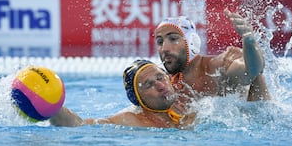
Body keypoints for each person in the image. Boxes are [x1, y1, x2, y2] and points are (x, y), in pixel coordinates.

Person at [155, 9, 271, 102]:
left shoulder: (220, 65)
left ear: (192, 42)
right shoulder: (162, 83)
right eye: (160, 42)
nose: (164, 49)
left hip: (251, 123)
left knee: (258, 78)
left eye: (173, 39)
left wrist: (249, 42)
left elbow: (252, 70)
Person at [50, 60, 195, 129]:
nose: (159, 85)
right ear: (138, 99)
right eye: (148, 84)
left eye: (160, 77)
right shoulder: (131, 120)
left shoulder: (193, 105)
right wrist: (51, 105)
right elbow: (80, 125)